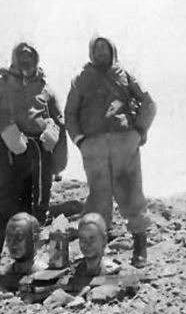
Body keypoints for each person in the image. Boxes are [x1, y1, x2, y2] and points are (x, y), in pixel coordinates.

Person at [0, 42, 67, 283]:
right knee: (1, 207)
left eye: (30, 55)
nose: (26, 60)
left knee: (37, 204)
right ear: (14, 58)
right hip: (9, 156)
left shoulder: (45, 88)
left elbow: (58, 119)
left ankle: (26, 264)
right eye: (21, 55)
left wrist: (53, 135)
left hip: (38, 157)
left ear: (36, 58)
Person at [65, 36, 156, 267]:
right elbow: (70, 113)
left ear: (113, 50)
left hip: (123, 142)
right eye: (96, 48)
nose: (101, 52)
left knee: (131, 193)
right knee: (98, 198)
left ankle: (139, 249)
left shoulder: (125, 75)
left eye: (105, 48)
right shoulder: (81, 79)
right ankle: (95, 255)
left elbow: (148, 102)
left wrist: (138, 131)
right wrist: (81, 141)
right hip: (94, 146)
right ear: (90, 53)